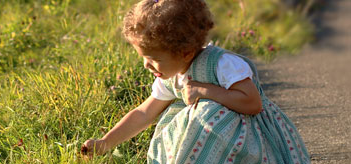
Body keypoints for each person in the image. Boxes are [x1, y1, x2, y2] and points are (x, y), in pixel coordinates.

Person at [82, 0, 310, 163]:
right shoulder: (173, 75)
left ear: (185, 52)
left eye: (153, 58)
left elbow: (253, 103)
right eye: (143, 57)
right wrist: (106, 142)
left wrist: (205, 90)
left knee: (206, 111)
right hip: (207, 148)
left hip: (247, 142)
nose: (146, 65)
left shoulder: (222, 64)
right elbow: (144, 113)